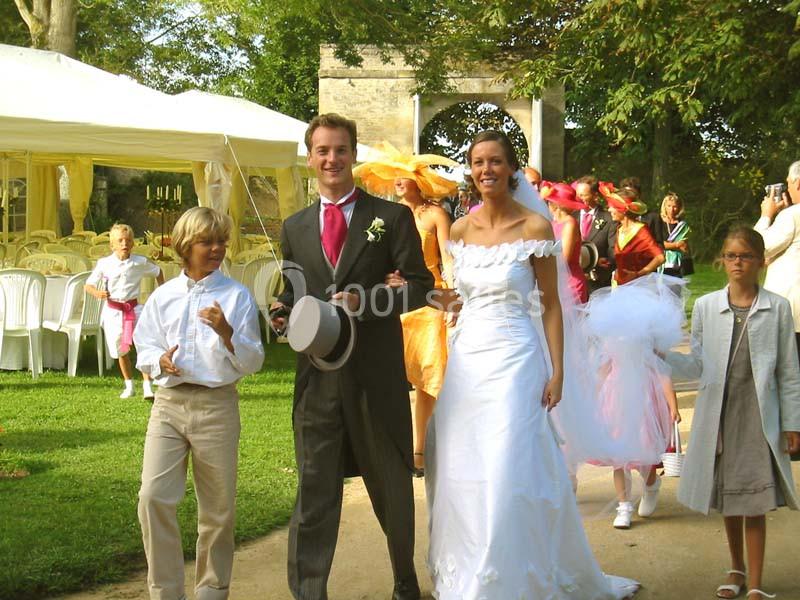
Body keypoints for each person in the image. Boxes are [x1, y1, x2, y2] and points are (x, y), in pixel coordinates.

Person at [423, 130, 638, 598]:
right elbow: (460, 298)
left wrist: (556, 369)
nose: (486, 170)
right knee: (462, 461)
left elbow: (552, 306)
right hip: (468, 360)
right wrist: (437, 300)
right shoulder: (459, 231)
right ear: (471, 170)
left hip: (517, 357)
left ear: (512, 169)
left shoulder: (535, 229)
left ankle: (505, 577)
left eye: (496, 161)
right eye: (478, 162)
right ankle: (468, 566)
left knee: (506, 462)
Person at [270, 114, 433, 600]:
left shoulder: (392, 217)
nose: (331, 159)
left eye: (340, 150)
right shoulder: (294, 227)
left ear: (354, 155)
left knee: (391, 487)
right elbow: (291, 289)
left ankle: (405, 582)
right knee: (314, 494)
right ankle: (308, 592)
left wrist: (366, 300)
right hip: (316, 382)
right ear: (310, 158)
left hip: (374, 379)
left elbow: (422, 287)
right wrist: (280, 313)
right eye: (322, 151)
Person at [133, 207, 265, 600]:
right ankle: (165, 592)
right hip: (168, 405)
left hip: (217, 407)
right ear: (185, 246)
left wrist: (227, 332)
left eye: (222, 241)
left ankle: (211, 591)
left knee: (218, 511)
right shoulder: (164, 296)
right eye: (208, 242)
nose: (217, 248)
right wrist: (160, 360)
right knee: (152, 497)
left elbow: (253, 360)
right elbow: (145, 344)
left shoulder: (236, 296)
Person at [665, 226, 800, 600]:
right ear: (721, 260)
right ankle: (736, 569)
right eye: (730, 255)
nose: (737, 262)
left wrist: (792, 423)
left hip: (758, 417)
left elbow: (789, 371)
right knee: (730, 498)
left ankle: (756, 582)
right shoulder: (708, 306)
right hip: (720, 417)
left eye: (745, 256)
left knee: (755, 500)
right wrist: (663, 358)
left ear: (761, 261)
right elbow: (696, 364)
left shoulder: (778, 308)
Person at [85, 223, 163, 399]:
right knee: (120, 349)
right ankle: (129, 385)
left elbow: (158, 271)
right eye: (120, 241)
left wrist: (161, 292)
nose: (124, 244)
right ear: (112, 245)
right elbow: (88, 285)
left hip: (134, 309)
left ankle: (147, 385)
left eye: (127, 240)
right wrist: (98, 293)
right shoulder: (104, 263)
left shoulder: (139, 262)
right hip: (113, 311)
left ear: (133, 243)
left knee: (144, 345)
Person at [754, 160, 800, 363]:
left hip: (791, 312)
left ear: (797, 183)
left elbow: (755, 247)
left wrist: (766, 215)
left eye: (788, 183)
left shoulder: (792, 215)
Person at [601, 185, 665, 285]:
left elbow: (660, 257)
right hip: (619, 286)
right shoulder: (619, 229)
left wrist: (639, 274)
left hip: (638, 288)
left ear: (622, 209)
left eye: (612, 207)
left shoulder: (641, 230)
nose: (609, 210)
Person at [541, 181, 589, 302]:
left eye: (550, 201)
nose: (548, 204)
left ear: (556, 205)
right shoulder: (553, 223)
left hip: (570, 284)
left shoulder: (570, 224)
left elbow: (564, 259)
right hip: (556, 282)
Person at [576, 176, 616, 292]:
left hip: (598, 284)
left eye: (583, 195)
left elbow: (612, 253)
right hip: (573, 281)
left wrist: (596, 265)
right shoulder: (571, 218)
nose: (579, 199)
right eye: (577, 195)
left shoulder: (609, 219)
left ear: (595, 196)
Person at [656, 192, 690, 277]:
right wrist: (676, 244)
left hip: (677, 265)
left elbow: (684, 246)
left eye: (674, 206)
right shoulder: (658, 221)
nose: (672, 209)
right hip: (660, 263)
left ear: (679, 208)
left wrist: (681, 245)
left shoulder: (682, 225)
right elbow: (657, 243)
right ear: (665, 206)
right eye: (669, 206)